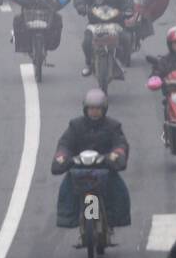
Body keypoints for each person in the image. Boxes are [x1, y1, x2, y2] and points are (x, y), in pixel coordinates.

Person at [51, 88, 131, 231]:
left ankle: (115, 218)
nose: (94, 112)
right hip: (79, 168)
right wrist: (62, 158)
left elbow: (120, 144)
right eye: (91, 108)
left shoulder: (113, 126)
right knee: (66, 189)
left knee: (119, 190)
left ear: (104, 109)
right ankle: (68, 217)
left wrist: (115, 156)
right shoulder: (75, 126)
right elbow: (65, 144)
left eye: (98, 109)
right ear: (85, 109)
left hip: (105, 167)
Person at [73, 0, 132, 77]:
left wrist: (128, 9)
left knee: (126, 38)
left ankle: (120, 61)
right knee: (86, 42)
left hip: (116, 22)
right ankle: (89, 64)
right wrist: (81, 6)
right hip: (95, 23)